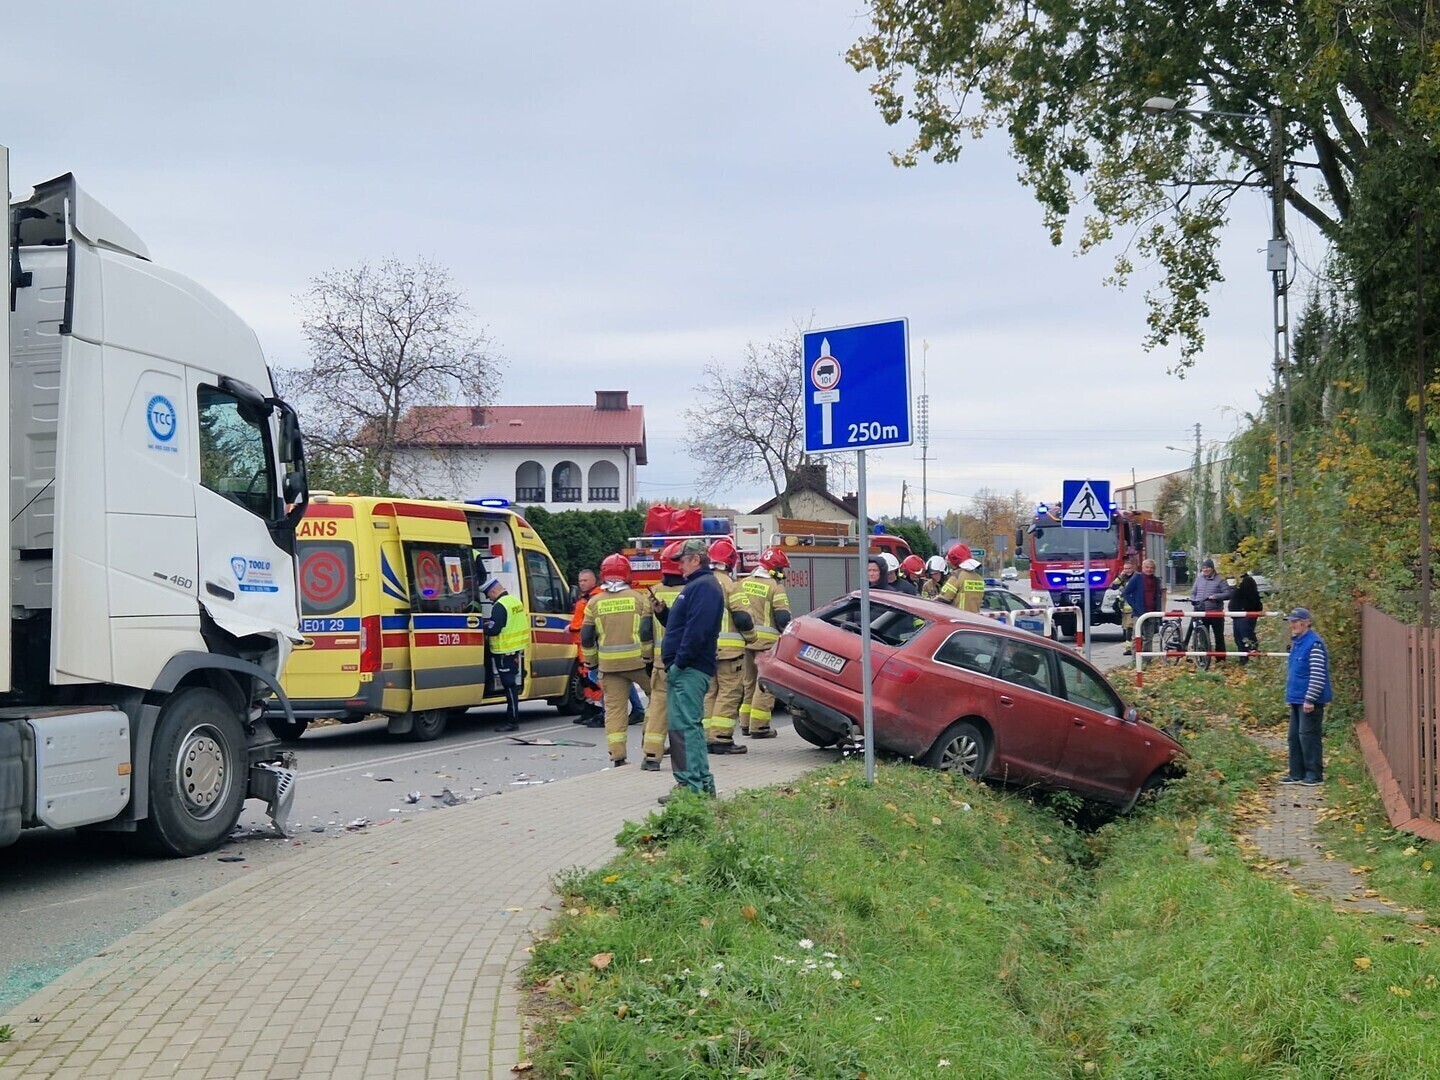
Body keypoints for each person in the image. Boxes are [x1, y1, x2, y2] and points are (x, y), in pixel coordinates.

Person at [660, 538, 724, 799]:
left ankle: (689, 787)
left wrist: (679, 663)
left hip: (689, 668)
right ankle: (700, 783)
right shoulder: (700, 586)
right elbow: (686, 625)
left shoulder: (703, 587)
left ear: (696, 560)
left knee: (683, 728)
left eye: (683, 561)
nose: (679, 567)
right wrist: (662, 613)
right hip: (690, 666)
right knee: (690, 726)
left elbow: (697, 630)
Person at [580, 553, 653, 767]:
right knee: (657, 699)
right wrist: (650, 658)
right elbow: (648, 631)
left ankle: (618, 756)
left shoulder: (594, 602)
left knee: (614, 710)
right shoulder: (639, 599)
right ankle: (651, 746)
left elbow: (586, 636)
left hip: (609, 665)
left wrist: (591, 662)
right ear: (627, 574)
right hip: (639, 663)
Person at [700, 536, 757, 754]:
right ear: (731, 562)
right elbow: (742, 617)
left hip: (705, 650)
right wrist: (751, 637)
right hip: (729, 651)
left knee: (710, 693)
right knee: (729, 693)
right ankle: (721, 739)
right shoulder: (731, 586)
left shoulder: (700, 582)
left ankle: (707, 736)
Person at [639, 543, 685, 769]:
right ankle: (688, 759)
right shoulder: (694, 590)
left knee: (658, 707)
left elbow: (645, 630)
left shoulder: (655, 591)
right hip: (688, 661)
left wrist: (647, 658)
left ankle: (651, 755)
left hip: (660, 662)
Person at [738, 547, 792, 740]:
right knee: (766, 685)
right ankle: (759, 727)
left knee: (749, 684)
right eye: (782, 569)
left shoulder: (743, 583)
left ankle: (745, 724)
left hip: (745, 642)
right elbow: (783, 617)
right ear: (774, 568)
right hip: (766, 644)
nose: (783, 574)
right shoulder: (775, 587)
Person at [1281, 608, 1332, 786]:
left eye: (1296, 621)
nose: (1292, 625)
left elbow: (1318, 675)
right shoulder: (1298, 643)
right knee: (1294, 736)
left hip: (1310, 700)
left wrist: (1310, 699)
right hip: (1296, 698)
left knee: (1308, 736)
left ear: (1306, 622)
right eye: (1291, 621)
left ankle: (1314, 774)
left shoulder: (1314, 644)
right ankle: (1296, 773)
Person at [480, 577, 530, 732]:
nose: (489, 599)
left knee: (509, 687)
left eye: (489, 595)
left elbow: (495, 630)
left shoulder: (500, 606)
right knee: (511, 686)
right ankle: (513, 719)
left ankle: (512, 721)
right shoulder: (515, 602)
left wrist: (483, 628)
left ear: (494, 591)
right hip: (515, 650)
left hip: (503, 652)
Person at [568, 568, 605, 727]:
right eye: (580, 581)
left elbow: (588, 623)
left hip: (590, 644)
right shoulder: (585, 598)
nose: (582, 583)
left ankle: (599, 711)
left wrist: (572, 628)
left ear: (593, 581)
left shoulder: (595, 597)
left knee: (594, 679)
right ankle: (590, 709)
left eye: (585, 580)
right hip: (582, 644)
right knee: (586, 678)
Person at [1121, 558, 1165, 658]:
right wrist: (1135, 606)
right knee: (1137, 637)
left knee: (1149, 638)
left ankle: (1146, 660)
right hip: (1139, 613)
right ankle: (1135, 660)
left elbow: (1158, 596)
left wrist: (1159, 613)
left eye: (1152, 568)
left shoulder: (1156, 580)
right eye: (1147, 567)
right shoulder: (1137, 578)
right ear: (1143, 567)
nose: (1149, 569)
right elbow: (1126, 593)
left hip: (1152, 613)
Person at [1189, 558, 1233, 659]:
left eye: (1208, 567)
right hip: (1201, 612)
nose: (1205, 570)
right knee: (1203, 636)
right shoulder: (1199, 579)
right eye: (1203, 568)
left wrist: (1216, 596)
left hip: (1215, 613)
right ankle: (1204, 658)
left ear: (1212, 568)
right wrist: (1194, 600)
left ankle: (1220, 659)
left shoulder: (1220, 579)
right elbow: (1193, 592)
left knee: (1219, 636)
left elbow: (1228, 594)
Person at [1229, 570, 1264, 664]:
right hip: (1238, 615)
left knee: (1246, 636)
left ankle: (1250, 657)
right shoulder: (1240, 583)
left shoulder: (1247, 582)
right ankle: (1244, 658)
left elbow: (1251, 599)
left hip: (1245, 614)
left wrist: (1242, 608)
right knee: (1240, 637)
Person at [939, 542, 984, 613]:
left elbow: (943, 598)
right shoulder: (979, 578)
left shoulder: (957, 576)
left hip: (959, 619)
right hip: (975, 619)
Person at [1112, 559, 1136, 642]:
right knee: (1125, 627)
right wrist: (1121, 576)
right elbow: (1113, 586)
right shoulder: (1123, 578)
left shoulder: (1136, 577)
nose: (1127, 571)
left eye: (1129, 569)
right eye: (1125, 569)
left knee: (1130, 627)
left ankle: (1130, 647)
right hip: (1124, 608)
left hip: (1133, 607)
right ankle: (1128, 647)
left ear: (1133, 568)